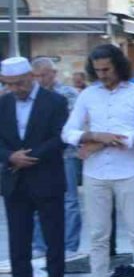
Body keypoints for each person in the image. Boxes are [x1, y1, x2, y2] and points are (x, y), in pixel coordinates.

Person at [62, 44, 134, 277]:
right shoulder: (88, 95)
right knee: (98, 234)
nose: (102, 74)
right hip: (95, 173)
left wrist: (105, 141)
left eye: (107, 69)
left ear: (118, 65)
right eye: (97, 70)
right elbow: (68, 132)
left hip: (129, 172)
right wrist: (92, 136)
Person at [0, 57, 70, 277]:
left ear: (31, 76)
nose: (15, 89)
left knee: (53, 240)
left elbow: (61, 137)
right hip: (14, 181)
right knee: (18, 241)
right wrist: (10, 157)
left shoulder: (55, 101)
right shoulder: (3, 103)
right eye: (8, 85)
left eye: (19, 83)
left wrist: (30, 157)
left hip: (46, 179)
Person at [30, 58, 80, 259]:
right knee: (36, 199)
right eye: (36, 76)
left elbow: (70, 124)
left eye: (43, 75)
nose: (40, 79)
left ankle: (69, 245)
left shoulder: (67, 94)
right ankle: (39, 245)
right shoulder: (31, 95)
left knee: (69, 200)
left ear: (53, 73)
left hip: (65, 154)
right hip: (39, 154)